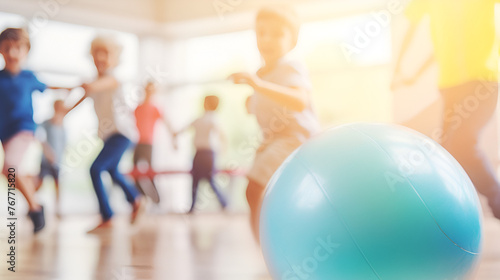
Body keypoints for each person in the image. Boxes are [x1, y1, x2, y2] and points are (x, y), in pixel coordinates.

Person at [392, 0, 500, 219]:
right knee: (448, 152)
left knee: (462, 145)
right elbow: (435, 42)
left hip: (482, 82)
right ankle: (450, 214)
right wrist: (403, 69)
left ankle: (496, 200)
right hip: (450, 87)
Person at [229, 6, 320, 242]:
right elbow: (266, 110)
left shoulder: (291, 67)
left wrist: (258, 86)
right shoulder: (261, 73)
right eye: (261, 33)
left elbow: (299, 101)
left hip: (296, 139)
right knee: (259, 193)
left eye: (278, 34)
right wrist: (252, 101)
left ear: (293, 41)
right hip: (274, 141)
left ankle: (269, 245)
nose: (267, 39)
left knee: (254, 190)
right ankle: (268, 247)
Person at [69, 35, 145, 232]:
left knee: (95, 169)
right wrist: (63, 112)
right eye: (97, 53)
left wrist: (83, 85)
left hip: (123, 134)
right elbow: (83, 97)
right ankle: (135, 200)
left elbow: (94, 86)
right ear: (92, 56)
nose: (101, 58)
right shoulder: (96, 82)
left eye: (106, 54)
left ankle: (108, 215)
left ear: (115, 59)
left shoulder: (112, 79)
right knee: (112, 170)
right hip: (111, 136)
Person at [0, 28, 71, 233]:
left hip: (23, 129)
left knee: (9, 168)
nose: (12, 53)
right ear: (1, 51)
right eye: (7, 48)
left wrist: (68, 87)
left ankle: (35, 208)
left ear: (26, 51)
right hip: (4, 133)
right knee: (10, 174)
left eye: (18, 48)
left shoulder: (29, 77)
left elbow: (48, 86)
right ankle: (34, 200)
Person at [175, 95, 227, 213]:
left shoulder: (203, 119)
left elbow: (182, 130)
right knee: (210, 180)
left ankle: (194, 207)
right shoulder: (211, 119)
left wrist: (175, 137)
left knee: (196, 181)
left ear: (207, 104)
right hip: (208, 154)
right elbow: (222, 136)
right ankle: (224, 204)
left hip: (201, 154)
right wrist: (223, 149)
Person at [133, 81, 176, 204]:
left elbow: (168, 124)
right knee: (135, 174)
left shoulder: (155, 108)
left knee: (150, 174)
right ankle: (142, 201)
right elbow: (130, 127)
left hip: (148, 145)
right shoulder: (138, 108)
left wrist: (174, 140)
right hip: (137, 144)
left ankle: (157, 201)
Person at [35, 99, 69, 216]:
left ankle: (58, 210)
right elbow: (38, 134)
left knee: (58, 185)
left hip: (58, 161)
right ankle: (33, 206)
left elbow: (64, 142)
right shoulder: (48, 122)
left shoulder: (63, 124)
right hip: (46, 159)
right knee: (38, 185)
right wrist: (47, 150)